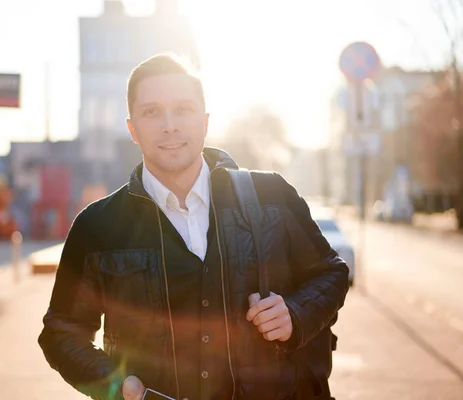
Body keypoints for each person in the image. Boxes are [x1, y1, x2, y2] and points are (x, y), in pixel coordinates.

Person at [38, 53, 349, 400]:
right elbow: (61, 333)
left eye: (183, 109)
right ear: (132, 129)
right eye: (152, 112)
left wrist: (295, 313)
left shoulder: (271, 196)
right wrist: (118, 387)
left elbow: (331, 272)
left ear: (204, 121)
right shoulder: (97, 226)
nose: (169, 125)